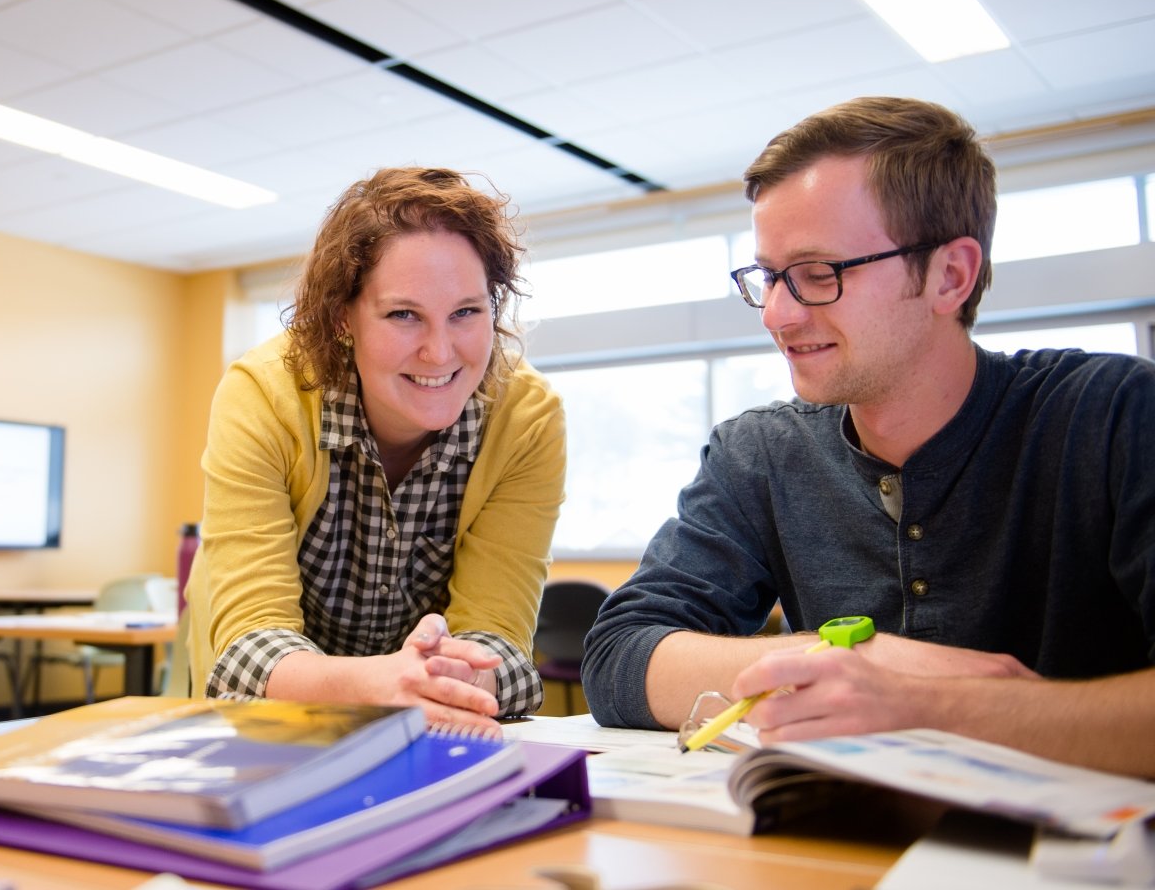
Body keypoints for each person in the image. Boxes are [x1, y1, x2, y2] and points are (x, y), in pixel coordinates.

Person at [582, 97, 1155, 776]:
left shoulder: (1112, 416)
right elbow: (618, 654)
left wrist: (924, 705)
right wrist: (848, 654)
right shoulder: (760, 453)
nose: (776, 314)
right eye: (768, 276)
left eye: (819, 274)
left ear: (950, 276)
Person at [186, 167, 566, 731]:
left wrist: (452, 676)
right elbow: (249, 647)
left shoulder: (527, 419)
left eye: (466, 311)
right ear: (344, 317)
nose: (439, 353)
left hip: (427, 724)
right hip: (272, 724)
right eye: (403, 315)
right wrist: (383, 682)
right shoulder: (263, 395)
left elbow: (498, 639)